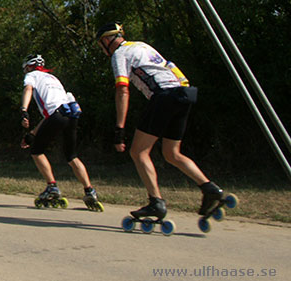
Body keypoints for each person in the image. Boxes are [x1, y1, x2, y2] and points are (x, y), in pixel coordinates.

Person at [95, 21, 224, 221]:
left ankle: (156, 202)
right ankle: (210, 188)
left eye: (100, 45)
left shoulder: (120, 54)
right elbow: (171, 68)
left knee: (138, 152)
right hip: (183, 93)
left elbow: (122, 89)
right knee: (172, 153)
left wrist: (119, 128)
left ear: (106, 40)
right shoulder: (142, 46)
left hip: (164, 96)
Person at [20, 54, 102, 211]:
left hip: (57, 115)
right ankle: (89, 191)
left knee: (37, 151)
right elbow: (52, 113)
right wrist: (33, 134)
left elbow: (28, 89)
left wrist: (24, 110)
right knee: (71, 156)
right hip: (71, 114)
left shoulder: (32, 76)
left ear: (29, 67)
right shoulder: (53, 78)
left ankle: (52, 187)